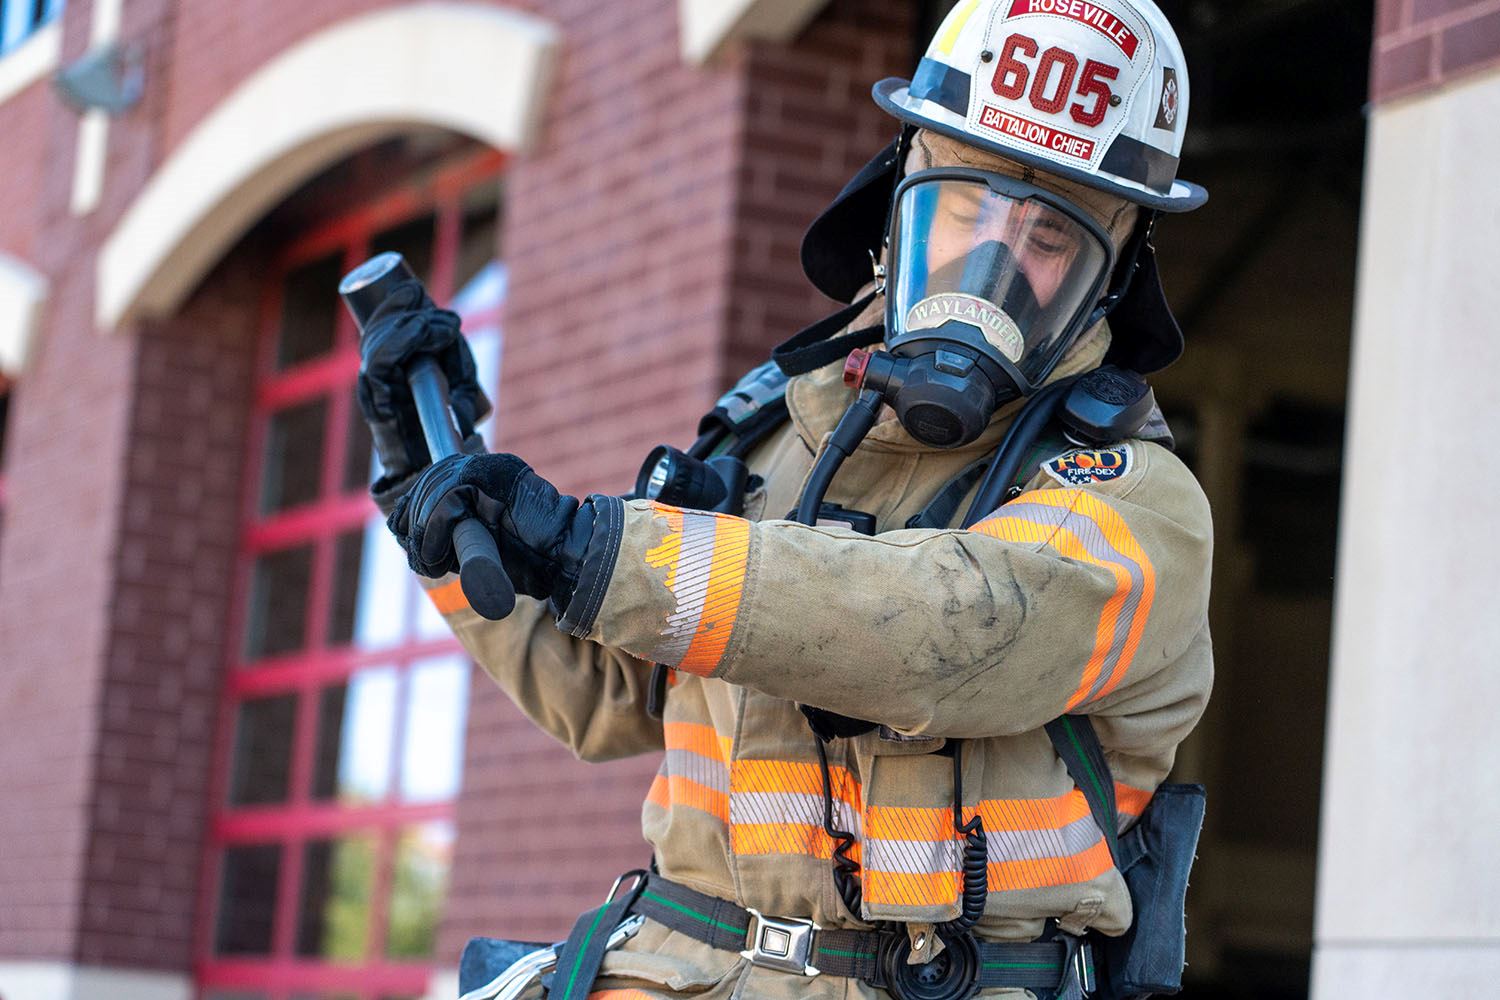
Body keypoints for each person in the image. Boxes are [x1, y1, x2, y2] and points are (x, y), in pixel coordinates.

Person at [357, 2, 1212, 998]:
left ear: (1113, 277)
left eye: (1049, 237)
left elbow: (946, 631)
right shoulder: (774, 428)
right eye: (965, 208)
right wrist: (433, 487)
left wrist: (599, 551)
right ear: (899, 199)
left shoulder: (1134, 502)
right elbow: (603, 695)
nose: (991, 267)